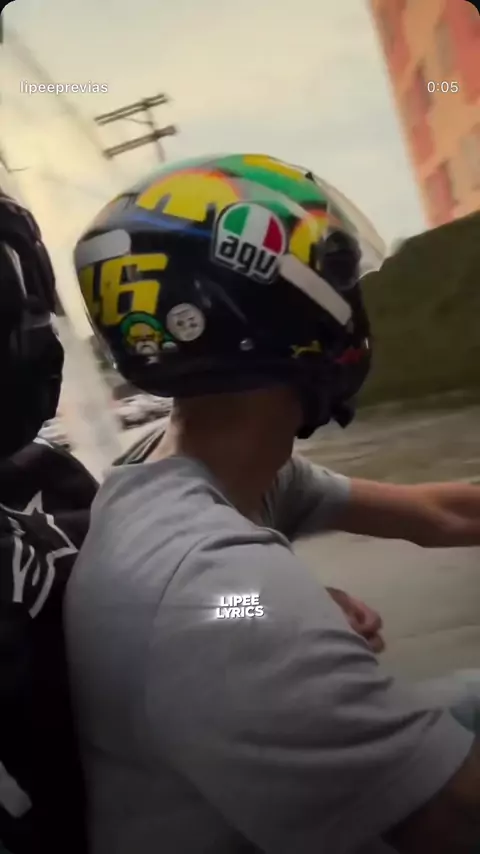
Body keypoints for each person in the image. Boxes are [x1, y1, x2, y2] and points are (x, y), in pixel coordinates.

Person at [66, 153, 480, 853]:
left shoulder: (192, 474)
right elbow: (456, 821)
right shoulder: (217, 586)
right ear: (289, 312)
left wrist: (277, 604)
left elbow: (440, 514)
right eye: (342, 280)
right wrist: (277, 608)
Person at [0, 190, 97, 854]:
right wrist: (266, 601)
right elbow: (201, 607)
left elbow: (183, 604)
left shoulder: (47, 480)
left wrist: (262, 600)